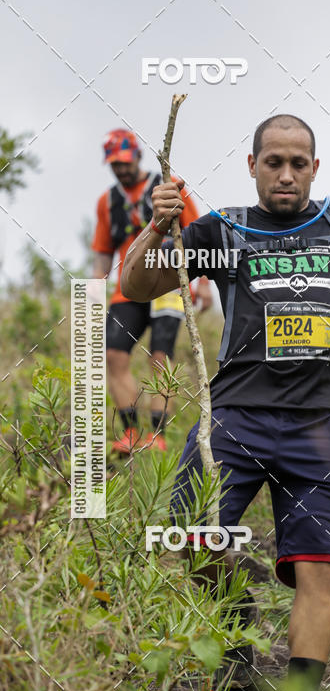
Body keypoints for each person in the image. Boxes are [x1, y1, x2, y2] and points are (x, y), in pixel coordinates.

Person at [121, 114, 330, 691]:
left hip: (326, 426)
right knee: (192, 535)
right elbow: (138, 283)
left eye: (298, 162)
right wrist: (158, 223)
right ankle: (235, 650)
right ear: (253, 165)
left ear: (315, 168)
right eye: (273, 162)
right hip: (235, 417)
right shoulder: (223, 229)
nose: (285, 173)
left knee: (319, 571)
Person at [91, 128, 213, 454]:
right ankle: (130, 432)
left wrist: (202, 283)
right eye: (115, 163)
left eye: (125, 162)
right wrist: (93, 291)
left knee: (160, 357)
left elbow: (198, 233)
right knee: (113, 356)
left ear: (138, 157)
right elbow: (103, 252)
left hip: (167, 284)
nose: (121, 168)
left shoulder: (168, 187)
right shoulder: (107, 202)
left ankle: (157, 436)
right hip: (126, 290)